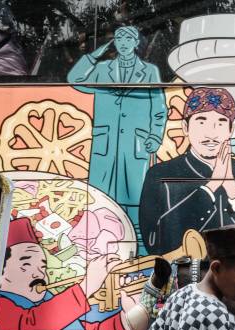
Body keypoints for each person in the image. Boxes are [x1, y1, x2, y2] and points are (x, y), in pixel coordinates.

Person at [139, 87, 235, 256]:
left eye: (220, 123)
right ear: (185, 127)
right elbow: (154, 241)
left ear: (231, 130)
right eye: (201, 122)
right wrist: (210, 188)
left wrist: (233, 189)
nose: (211, 133)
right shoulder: (160, 175)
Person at [67, 25, 166, 240]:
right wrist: (94, 55)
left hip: (135, 144)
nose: (123, 43)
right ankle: (98, 239)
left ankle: (138, 241)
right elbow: (75, 80)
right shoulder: (103, 68)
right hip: (106, 142)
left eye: (127, 39)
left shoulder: (149, 71)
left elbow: (159, 108)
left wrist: (155, 136)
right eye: (118, 39)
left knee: (135, 194)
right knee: (100, 194)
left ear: (135, 43)